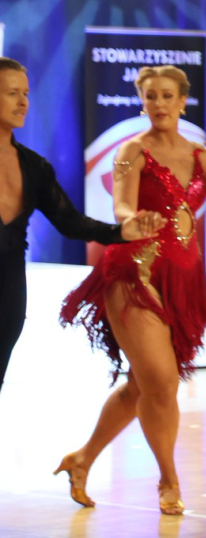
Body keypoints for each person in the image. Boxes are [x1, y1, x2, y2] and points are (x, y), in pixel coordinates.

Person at [56, 65, 206, 514]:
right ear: (142, 102)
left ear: (183, 101)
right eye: (150, 97)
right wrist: (134, 220)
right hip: (134, 276)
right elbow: (122, 205)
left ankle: (82, 459)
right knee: (162, 383)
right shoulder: (133, 150)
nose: (159, 104)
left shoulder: (201, 156)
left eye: (167, 96)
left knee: (141, 386)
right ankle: (168, 479)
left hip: (181, 282)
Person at [0, 59, 160, 394]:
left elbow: (69, 222)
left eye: (26, 93)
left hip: (8, 290)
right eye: (12, 93)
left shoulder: (34, 166)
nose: (23, 102)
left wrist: (119, 233)